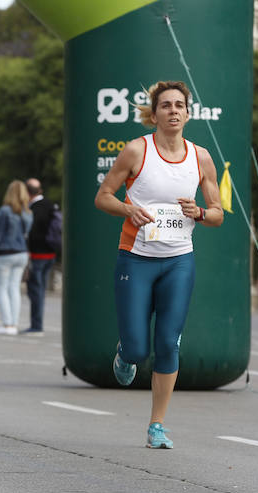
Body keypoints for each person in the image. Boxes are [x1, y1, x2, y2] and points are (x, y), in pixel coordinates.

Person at [94, 80, 223, 449]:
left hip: (179, 261)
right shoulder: (136, 151)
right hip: (136, 258)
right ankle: (125, 354)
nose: (173, 111)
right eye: (165, 105)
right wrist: (127, 209)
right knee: (138, 348)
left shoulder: (200, 158)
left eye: (179, 105)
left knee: (168, 343)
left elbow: (217, 214)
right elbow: (102, 197)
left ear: (188, 112)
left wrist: (198, 212)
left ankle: (157, 425)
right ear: (154, 114)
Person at [0, 180, 32, 334]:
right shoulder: (28, 213)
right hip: (22, 253)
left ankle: (7, 325)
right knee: (15, 288)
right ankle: (14, 324)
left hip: (5, 254)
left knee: (2, 288)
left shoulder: (4, 211)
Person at [23, 178, 57, 334]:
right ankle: (37, 323)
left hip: (37, 255)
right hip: (51, 253)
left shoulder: (34, 209)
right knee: (40, 289)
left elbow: (33, 233)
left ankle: (36, 325)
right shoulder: (51, 205)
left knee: (35, 291)